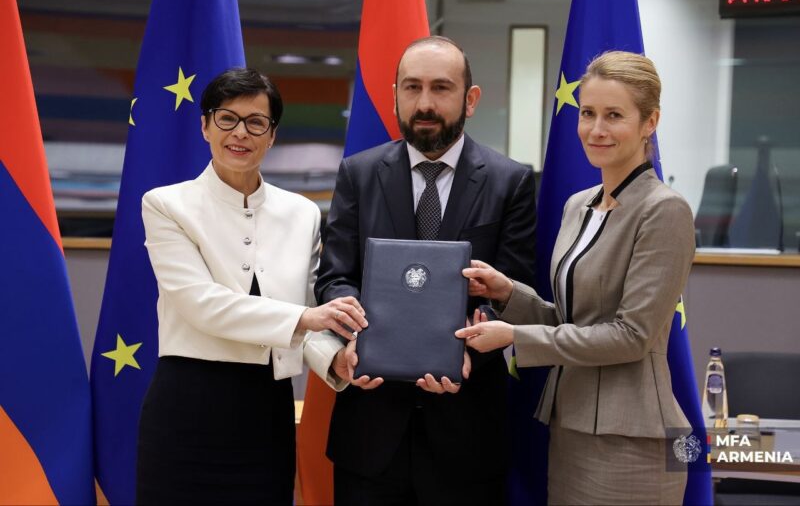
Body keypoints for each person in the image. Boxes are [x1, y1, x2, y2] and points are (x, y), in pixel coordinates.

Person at [456, 51, 694, 505]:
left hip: (633, 442)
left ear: (650, 122)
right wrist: (508, 294)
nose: (596, 129)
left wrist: (514, 336)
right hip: (571, 426)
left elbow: (631, 336)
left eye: (614, 115)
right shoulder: (577, 205)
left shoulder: (665, 210)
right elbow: (576, 321)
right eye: (587, 113)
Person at [316, 36, 537, 506]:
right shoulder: (358, 173)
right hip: (369, 431)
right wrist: (354, 337)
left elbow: (514, 291)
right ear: (395, 94)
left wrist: (466, 352)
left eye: (441, 88)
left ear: (470, 99)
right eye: (412, 87)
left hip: (467, 434)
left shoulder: (510, 182)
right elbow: (335, 277)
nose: (424, 104)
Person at [136, 68, 366, 505]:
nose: (240, 133)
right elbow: (201, 304)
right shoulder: (166, 204)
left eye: (256, 122)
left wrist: (335, 360)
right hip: (187, 405)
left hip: (266, 409)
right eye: (227, 118)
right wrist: (306, 317)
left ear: (272, 135)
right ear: (205, 126)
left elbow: (310, 313)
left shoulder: (302, 213)